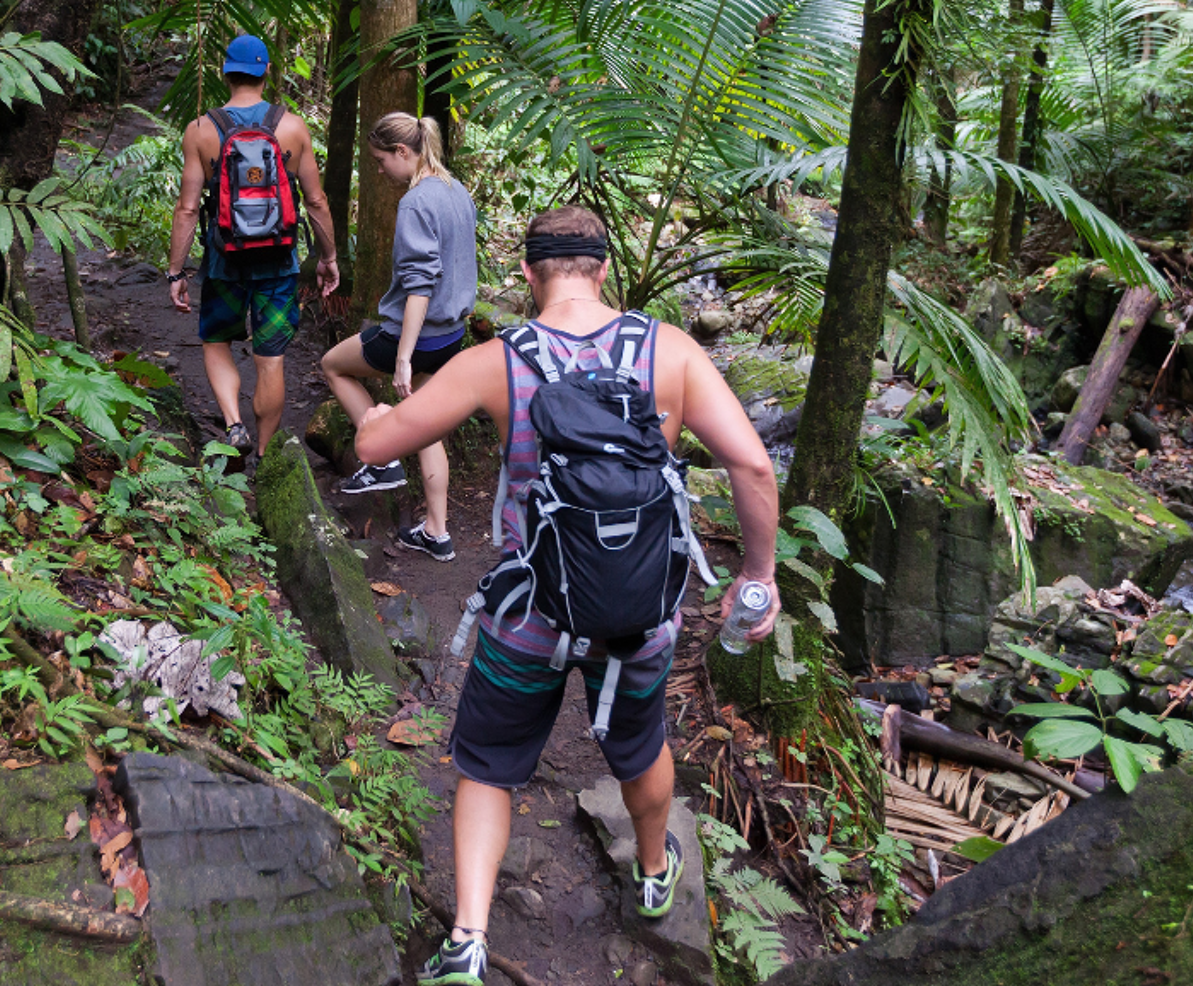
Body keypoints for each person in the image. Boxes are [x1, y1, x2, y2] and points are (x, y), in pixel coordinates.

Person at [352, 206, 780, 986]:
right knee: (640, 746)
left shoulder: (496, 360)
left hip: (529, 612)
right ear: (604, 268)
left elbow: (377, 445)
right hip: (640, 614)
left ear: (528, 274)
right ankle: (654, 873)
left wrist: (377, 416)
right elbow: (753, 467)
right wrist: (758, 575)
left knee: (487, 763)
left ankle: (469, 942)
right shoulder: (670, 352)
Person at [166, 35, 339, 462]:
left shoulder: (202, 130)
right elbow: (315, 201)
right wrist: (329, 256)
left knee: (216, 340)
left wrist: (176, 271)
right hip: (278, 262)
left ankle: (233, 424)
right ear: (265, 73)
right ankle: (264, 454)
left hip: (224, 260)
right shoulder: (292, 127)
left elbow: (188, 209)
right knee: (271, 359)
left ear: (226, 72)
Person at [321, 112, 477, 561]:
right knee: (427, 427)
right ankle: (437, 532)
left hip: (420, 336)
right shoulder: (455, 190)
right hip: (451, 335)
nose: (378, 169)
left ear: (403, 152)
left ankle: (383, 458)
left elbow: (419, 286)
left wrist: (404, 356)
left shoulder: (415, 202)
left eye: (379, 160)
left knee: (333, 365)